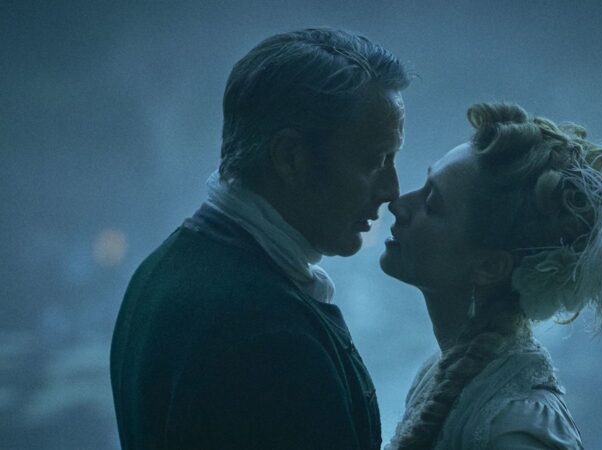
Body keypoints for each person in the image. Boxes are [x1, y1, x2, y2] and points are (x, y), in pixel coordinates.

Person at [110, 28, 410, 450]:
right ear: (291, 157)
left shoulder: (159, 270)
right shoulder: (269, 338)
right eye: (374, 161)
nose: (392, 190)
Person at [380, 102, 602, 450]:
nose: (398, 204)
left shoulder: (516, 426)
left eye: (432, 203)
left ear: (489, 267)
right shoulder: (441, 374)